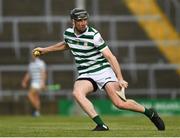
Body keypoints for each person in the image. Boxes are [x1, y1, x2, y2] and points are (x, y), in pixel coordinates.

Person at [32, 8, 165, 130]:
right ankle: (101, 125)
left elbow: (111, 57)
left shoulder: (94, 35)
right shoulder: (68, 33)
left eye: (85, 20)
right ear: (73, 21)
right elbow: (66, 44)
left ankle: (150, 113)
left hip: (103, 71)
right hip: (86, 73)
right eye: (80, 20)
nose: (83, 23)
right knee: (77, 93)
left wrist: (120, 78)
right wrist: (45, 50)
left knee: (120, 104)